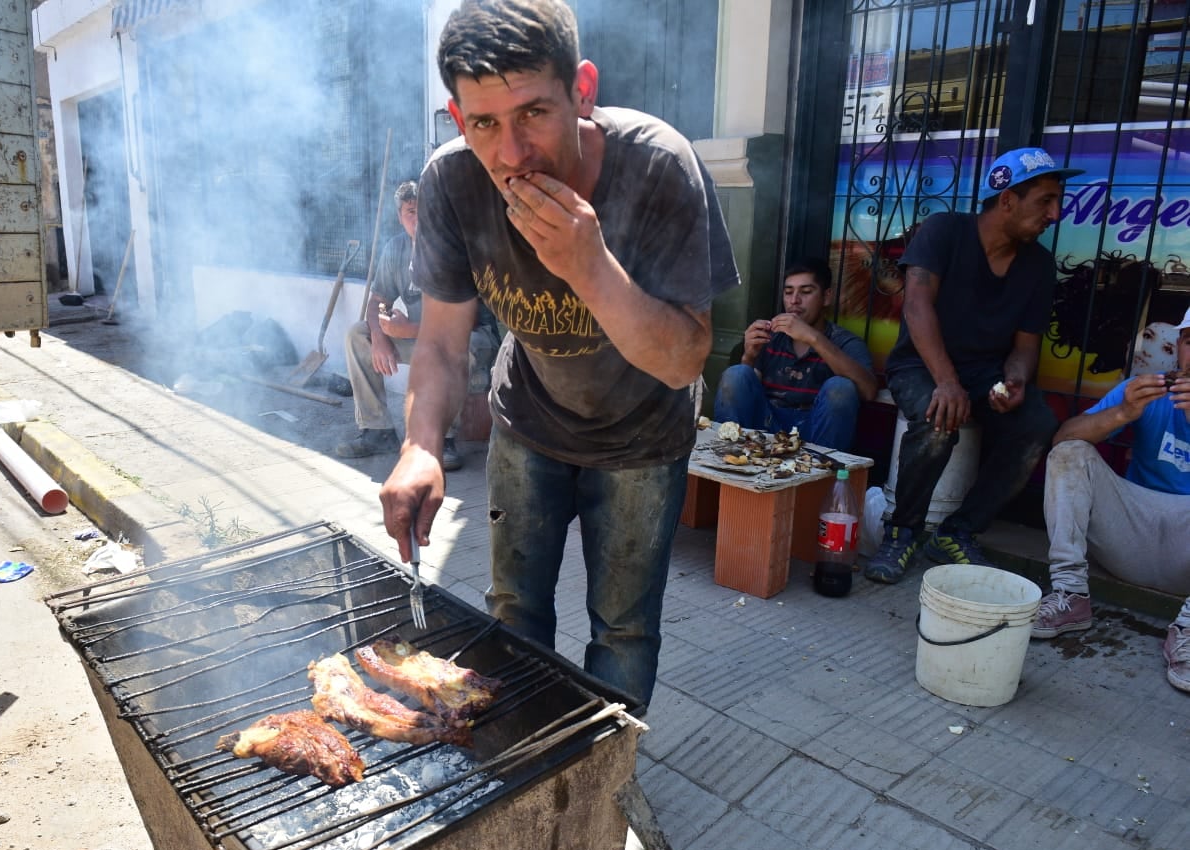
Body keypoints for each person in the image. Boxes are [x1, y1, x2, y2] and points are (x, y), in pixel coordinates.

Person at [378, 0, 738, 706]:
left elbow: (683, 360)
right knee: (514, 612)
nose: (511, 153)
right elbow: (444, 343)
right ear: (458, 119)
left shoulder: (660, 165)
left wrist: (591, 266)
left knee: (624, 632)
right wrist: (420, 445)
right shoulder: (451, 182)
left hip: (643, 437)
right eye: (484, 123)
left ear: (582, 90)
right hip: (529, 425)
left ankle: (604, 787)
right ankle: (530, 768)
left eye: (534, 114)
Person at [863, 147, 1080, 584]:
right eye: (1045, 201)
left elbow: (1026, 343)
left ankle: (958, 531)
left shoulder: (1038, 264)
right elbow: (917, 307)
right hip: (922, 365)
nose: (1054, 214)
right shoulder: (945, 231)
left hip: (987, 374)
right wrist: (946, 381)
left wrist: (1016, 379)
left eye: (1057, 202)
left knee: (1036, 423)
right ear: (1006, 201)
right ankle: (902, 531)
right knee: (937, 417)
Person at [1031, 309, 1190, 692]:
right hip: (1130, 536)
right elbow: (1063, 439)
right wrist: (1122, 411)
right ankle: (1070, 593)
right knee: (1070, 453)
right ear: (1179, 346)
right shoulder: (1150, 389)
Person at [335, 180, 499, 470]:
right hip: (423, 337)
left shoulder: (455, 248)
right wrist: (380, 334)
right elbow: (377, 301)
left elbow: (465, 319)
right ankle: (377, 431)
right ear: (400, 217)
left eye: (426, 211)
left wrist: (407, 330)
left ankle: (443, 439)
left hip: (469, 337)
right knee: (357, 336)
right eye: (411, 211)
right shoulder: (396, 248)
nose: (419, 219)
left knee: (462, 345)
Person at [712, 257, 878, 451]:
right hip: (767, 430)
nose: (794, 301)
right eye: (788, 292)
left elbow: (868, 391)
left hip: (816, 437)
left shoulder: (845, 342)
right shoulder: (771, 337)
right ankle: (729, 461)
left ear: (826, 297)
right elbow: (743, 391)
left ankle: (824, 476)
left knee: (840, 387)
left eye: (806, 292)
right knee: (736, 374)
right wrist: (749, 356)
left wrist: (814, 338)